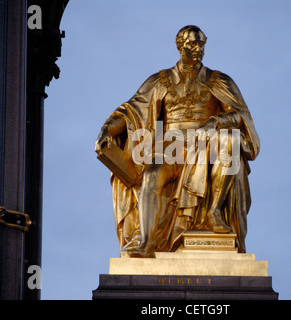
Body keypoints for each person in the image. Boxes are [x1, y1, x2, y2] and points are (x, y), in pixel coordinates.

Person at [95, 25, 260, 257]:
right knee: (152, 175)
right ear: (180, 46)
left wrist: (216, 121)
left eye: (201, 43)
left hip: (206, 145)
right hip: (170, 148)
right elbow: (131, 111)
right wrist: (107, 130)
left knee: (230, 142)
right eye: (193, 44)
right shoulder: (160, 80)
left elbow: (239, 116)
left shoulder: (219, 80)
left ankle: (214, 212)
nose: (198, 49)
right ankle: (146, 242)